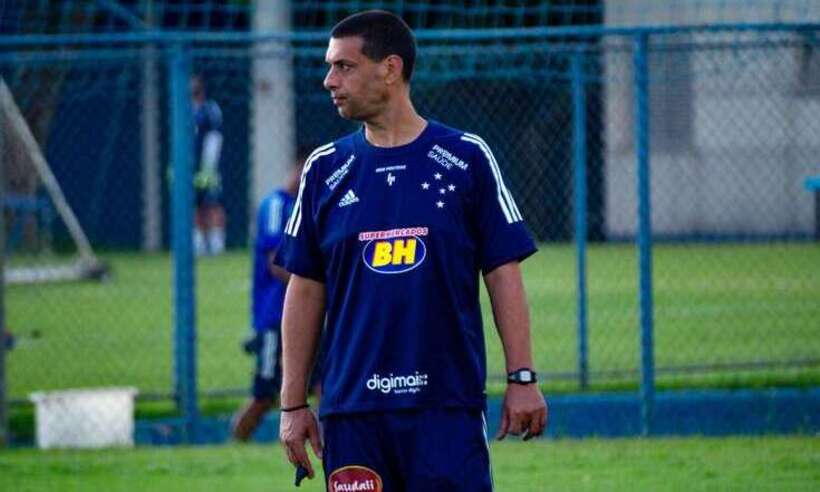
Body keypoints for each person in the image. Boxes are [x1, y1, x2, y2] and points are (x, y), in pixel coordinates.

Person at [276, 10, 547, 490]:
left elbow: (503, 273)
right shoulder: (324, 170)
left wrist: (521, 378)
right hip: (353, 413)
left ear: (390, 68)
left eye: (344, 66)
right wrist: (293, 404)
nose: (328, 80)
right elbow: (304, 289)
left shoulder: (466, 158)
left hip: (444, 408)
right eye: (329, 67)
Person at [232, 156, 321, 441]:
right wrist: (319, 282)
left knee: (325, 386)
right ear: (299, 167)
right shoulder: (275, 205)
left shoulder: (309, 205)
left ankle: (331, 446)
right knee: (265, 394)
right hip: (274, 316)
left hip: (310, 314)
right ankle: (235, 442)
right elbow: (275, 263)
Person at [190, 75, 226, 256]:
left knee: (213, 203)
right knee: (194, 205)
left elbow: (215, 138)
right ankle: (198, 245)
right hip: (190, 167)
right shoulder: (185, 109)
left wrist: (209, 166)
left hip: (208, 167)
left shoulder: (210, 109)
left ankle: (216, 244)